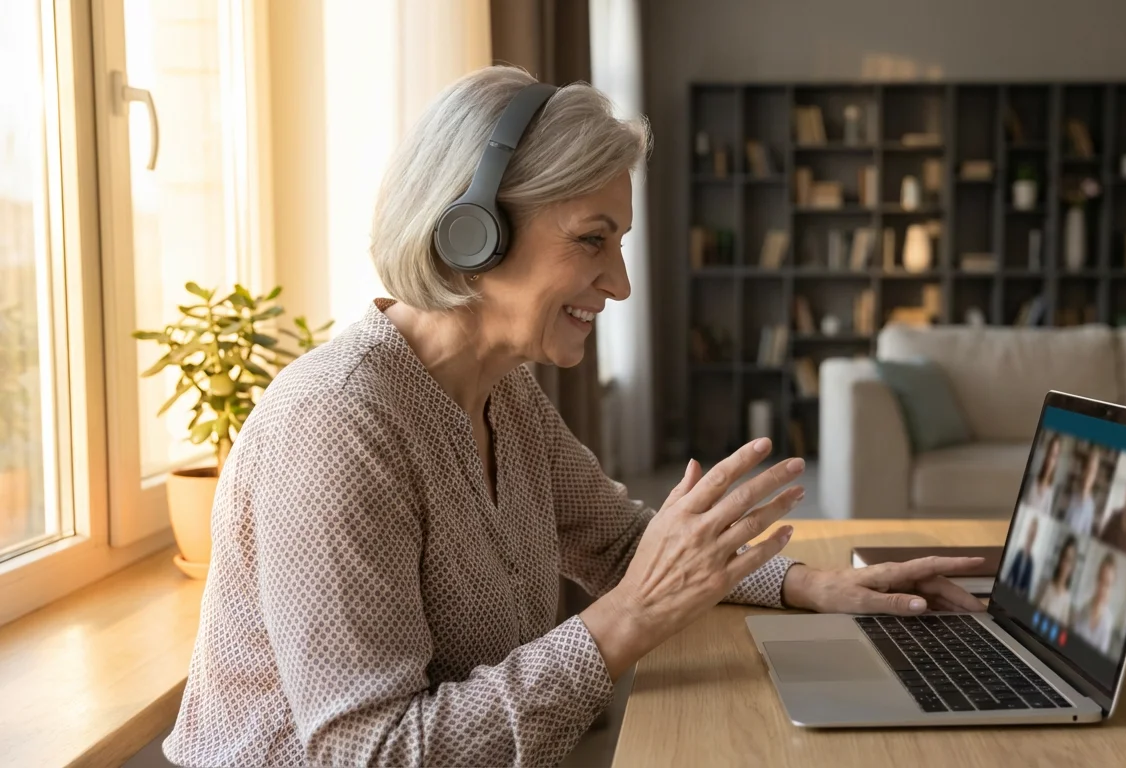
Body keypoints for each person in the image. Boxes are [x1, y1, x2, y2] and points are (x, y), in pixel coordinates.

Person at [161, 67, 986, 768]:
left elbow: (621, 545)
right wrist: (625, 623)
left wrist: (814, 585)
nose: (620, 283)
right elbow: (369, 753)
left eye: (618, 242)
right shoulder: (339, 425)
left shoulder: (501, 391)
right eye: (593, 240)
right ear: (471, 232)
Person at [1073, 554, 1119, 655]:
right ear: (1096, 580)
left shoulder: (1108, 622)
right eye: (1101, 580)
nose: (1103, 588)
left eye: (1107, 584)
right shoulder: (1083, 610)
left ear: (1112, 588)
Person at [1037, 536, 1079, 626]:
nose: (1065, 564)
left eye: (1069, 561)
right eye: (1064, 558)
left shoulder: (1067, 599)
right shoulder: (1045, 585)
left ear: (1072, 567)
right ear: (1060, 559)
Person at [1061, 446, 1102, 537]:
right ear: (1083, 470)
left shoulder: (1090, 507)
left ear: (1095, 476)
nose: (1089, 474)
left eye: (1093, 471)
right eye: (1088, 468)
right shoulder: (1071, 495)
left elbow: (1085, 534)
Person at [1020, 434, 1062, 516]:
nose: (1050, 459)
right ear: (1046, 454)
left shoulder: (1051, 492)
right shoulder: (1031, 481)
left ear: (1056, 461)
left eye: (1054, 456)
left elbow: (1045, 519)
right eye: (1050, 453)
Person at [1004, 516, 1039, 596]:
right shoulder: (1017, 552)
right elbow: (1008, 575)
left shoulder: (1031, 562)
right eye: (1031, 531)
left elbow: (1028, 589)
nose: (1031, 535)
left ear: (1035, 536)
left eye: (1033, 533)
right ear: (1027, 531)